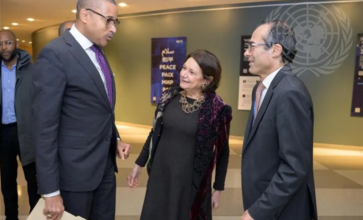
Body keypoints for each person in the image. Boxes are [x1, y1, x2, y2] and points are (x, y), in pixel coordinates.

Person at [32, 0, 131, 220]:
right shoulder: (55, 54)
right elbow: (44, 127)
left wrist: (116, 138)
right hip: (74, 175)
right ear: (85, 15)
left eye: (116, 22)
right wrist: (50, 191)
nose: (113, 28)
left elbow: (98, 108)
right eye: (109, 20)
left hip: (104, 167)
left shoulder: (97, 53)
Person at [128, 49, 233, 220]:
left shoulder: (218, 109)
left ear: (207, 80)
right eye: (184, 68)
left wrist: (218, 189)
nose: (183, 74)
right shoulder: (168, 97)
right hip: (160, 176)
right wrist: (138, 164)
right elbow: (155, 133)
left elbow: (223, 152)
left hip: (190, 183)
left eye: (192, 72)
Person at [240, 20, 318, 220]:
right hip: (266, 201)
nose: (246, 53)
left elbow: (294, 167)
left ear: (275, 50)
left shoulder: (290, 92)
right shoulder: (262, 89)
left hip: (283, 210)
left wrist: (258, 211)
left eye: (252, 46)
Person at [0, 30, 40, 220]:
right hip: (3, 134)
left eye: (8, 43)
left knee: (34, 182)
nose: (4, 48)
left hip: (27, 132)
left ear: (15, 43)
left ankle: (36, 216)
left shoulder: (31, 69)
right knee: (7, 183)